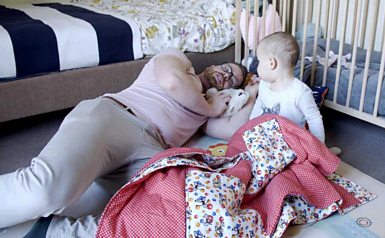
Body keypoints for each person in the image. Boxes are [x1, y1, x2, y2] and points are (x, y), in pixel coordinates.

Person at [0, 48, 248, 229]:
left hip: (151, 151)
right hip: (115, 117)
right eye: (226, 69)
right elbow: (171, 82)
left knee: (171, 213)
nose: (226, 77)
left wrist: (255, 90)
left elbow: (234, 129)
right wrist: (209, 107)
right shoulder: (179, 61)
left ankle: (52, 232)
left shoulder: (207, 107)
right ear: (211, 66)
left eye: (233, 80)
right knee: (48, 191)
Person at [209, 32, 341, 155]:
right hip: (267, 139)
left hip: (292, 143)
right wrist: (249, 130)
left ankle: (326, 154)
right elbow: (258, 108)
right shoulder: (264, 85)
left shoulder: (301, 92)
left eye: (260, 61)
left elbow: (314, 120)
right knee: (241, 152)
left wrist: (319, 150)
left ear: (271, 63)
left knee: (300, 163)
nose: (258, 66)